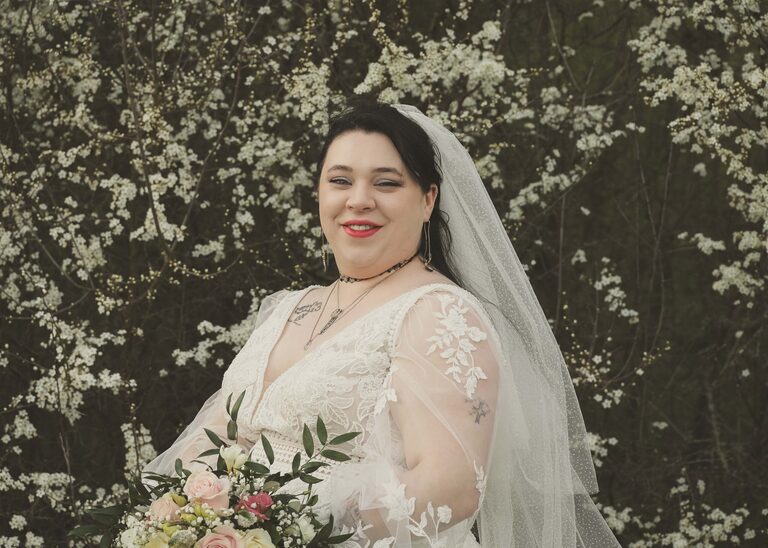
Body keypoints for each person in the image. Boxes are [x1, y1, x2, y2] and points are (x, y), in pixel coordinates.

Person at [145, 101, 621, 547]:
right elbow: (214, 437)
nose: (359, 200)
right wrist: (190, 516)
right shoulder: (290, 308)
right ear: (319, 194)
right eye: (340, 181)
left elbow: (450, 487)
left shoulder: (439, 313)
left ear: (428, 199)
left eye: (387, 183)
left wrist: (287, 530)